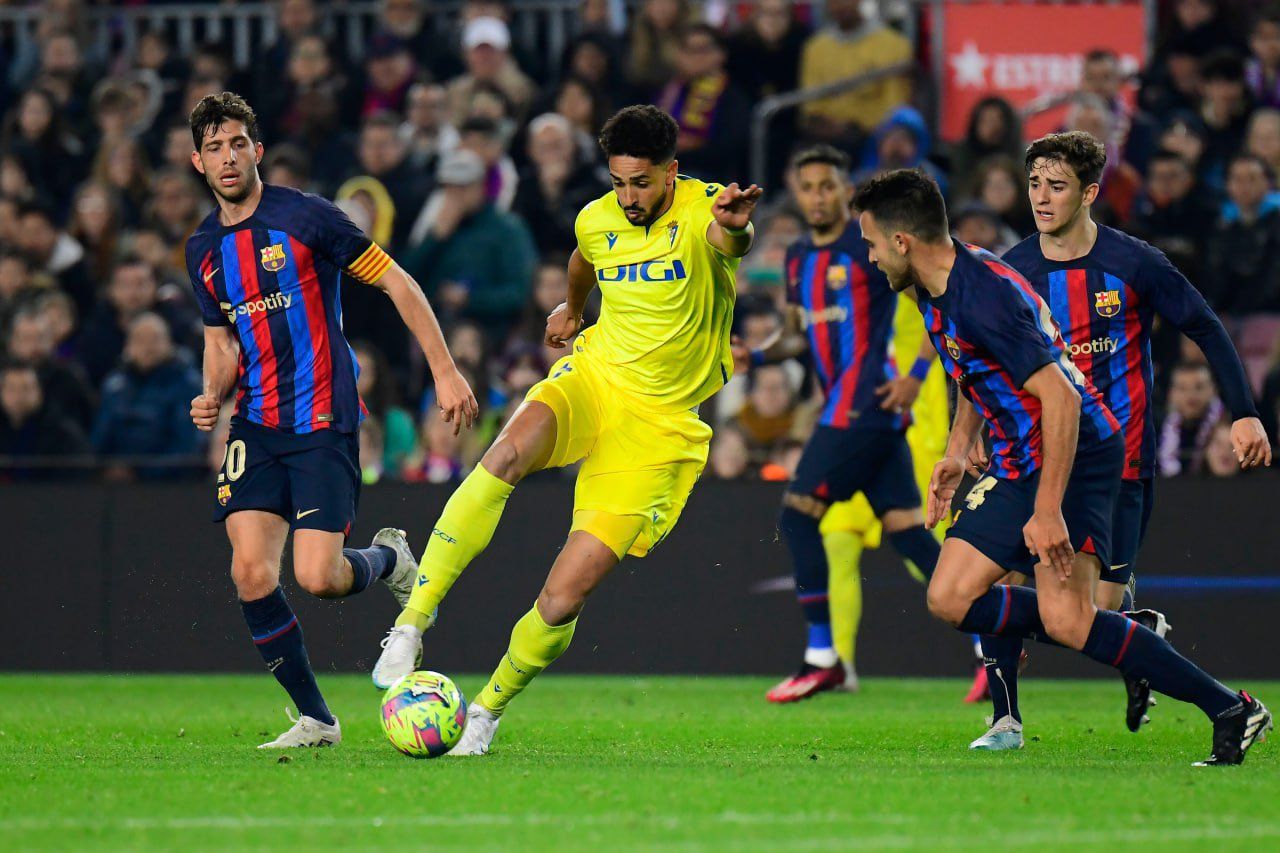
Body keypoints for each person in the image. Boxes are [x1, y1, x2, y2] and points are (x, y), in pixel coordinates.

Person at [372, 105, 762, 755]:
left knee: (565, 591)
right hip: (595, 378)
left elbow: (731, 244)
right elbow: (586, 255)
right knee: (503, 455)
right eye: (618, 183)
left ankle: (487, 710)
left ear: (672, 171)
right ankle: (413, 618)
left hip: (658, 426)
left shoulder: (707, 212)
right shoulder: (598, 216)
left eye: (641, 183)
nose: (629, 198)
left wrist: (737, 233)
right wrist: (572, 306)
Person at [855, 166, 1271, 765]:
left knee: (1072, 621)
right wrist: (953, 450)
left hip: (1075, 455)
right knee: (950, 596)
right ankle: (1130, 634)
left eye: (871, 243)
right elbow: (973, 369)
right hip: (1021, 456)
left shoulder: (982, 296)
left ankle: (1230, 708)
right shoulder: (936, 281)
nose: (869, 258)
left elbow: (1062, 397)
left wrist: (1048, 510)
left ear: (901, 241)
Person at [182, 92, 478, 750]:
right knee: (251, 573)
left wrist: (446, 369)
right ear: (195, 161)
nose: (227, 157)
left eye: (237, 143)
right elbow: (220, 341)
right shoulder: (202, 249)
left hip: (322, 416)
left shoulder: (309, 218)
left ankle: (386, 556)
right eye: (213, 148)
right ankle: (317, 717)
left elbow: (398, 281)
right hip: (256, 424)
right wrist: (211, 393)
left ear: (257, 151)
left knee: (318, 577)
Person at [979, 131, 1269, 743]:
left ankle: (1135, 632)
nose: (1040, 197)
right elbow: (983, 359)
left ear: (1089, 192)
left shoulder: (1134, 263)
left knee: (1090, 617)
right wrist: (974, 430)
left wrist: (1243, 411)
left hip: (1120, 467)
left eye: (1056, 186)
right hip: (1034, 460)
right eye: (1034, 184)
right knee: (993, 576)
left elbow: (1208, 328)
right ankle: (1005, 718)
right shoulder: (1012, 271)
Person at [732, 145, 942, 701]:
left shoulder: (868, 245)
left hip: (862, 406)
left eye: (828, 185)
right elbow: (797, 332)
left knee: (799, 518)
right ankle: (996, 632)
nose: (818, 196)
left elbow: (938, 303)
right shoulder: (800, 258)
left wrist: (918, 375)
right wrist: (759, 353)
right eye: (808, 187)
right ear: (795, 192)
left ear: (844, 190)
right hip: (856, 416)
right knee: (911, 539)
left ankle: (822, 656)